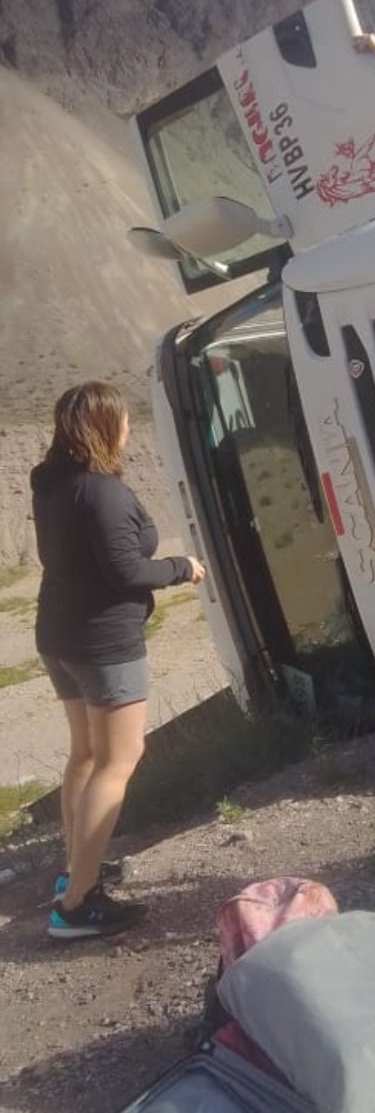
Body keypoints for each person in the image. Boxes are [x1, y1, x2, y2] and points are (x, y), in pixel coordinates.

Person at [33, 383, 205, 939]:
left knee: (85, 754)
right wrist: (183, 567)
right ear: (107, 426)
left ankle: (73, 871)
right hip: (103, 642)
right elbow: (127, 571)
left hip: (59, 633)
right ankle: (78, 906)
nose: (130, 427)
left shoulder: (52, 483)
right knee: (119, 759)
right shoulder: (100, 492)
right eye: (126, 420)